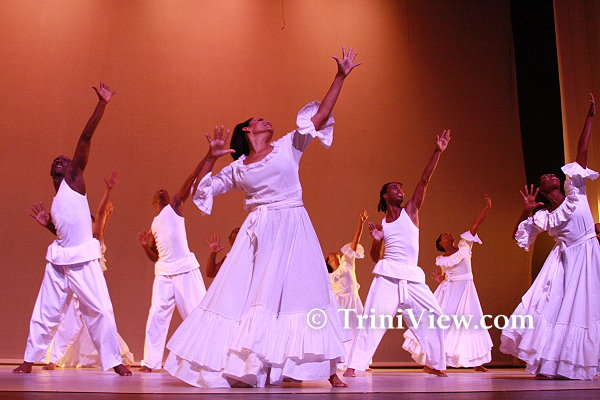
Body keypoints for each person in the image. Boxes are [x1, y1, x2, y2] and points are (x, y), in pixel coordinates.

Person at [164, 47, 361, 388]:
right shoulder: (239, 168)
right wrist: (211, 157)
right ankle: (254, 364)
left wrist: (340, 76)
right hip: (260, 234)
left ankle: (330, 370)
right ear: (247, 130)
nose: (266, 120)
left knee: (306, 291)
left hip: (294, 226)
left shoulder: (288, 146)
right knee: (253, 296)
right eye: (259, 119)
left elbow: (321, 115)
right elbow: (201, 189)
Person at [13, 83, 131, 376]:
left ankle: (114, 361)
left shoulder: (74, 180)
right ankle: (29, 360)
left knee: (100, 310)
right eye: (57, 160)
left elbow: (85, 137)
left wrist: (102, 103)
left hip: (83, 261)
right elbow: (68, 232)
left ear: (72, 169)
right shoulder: (57, 200)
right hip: (59, 260)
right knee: (45, 311)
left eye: (65, 160)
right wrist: (49, 226)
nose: (61, 160)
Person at [501, 93, 600, 380]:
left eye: (552, 174)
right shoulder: (544, 216)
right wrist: (526, 210)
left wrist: (590, 118)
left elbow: (582, 152)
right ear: (543, 190)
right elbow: (517, 235)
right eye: (545, 177)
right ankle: (548, 363)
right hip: (564, 262)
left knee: (583, 309)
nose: (552, 175)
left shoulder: (575, 191)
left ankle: (574, 364)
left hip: (587, 254)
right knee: (555, 308)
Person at [344, 130, 452, 378]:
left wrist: (437, 151)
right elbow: (375, 257)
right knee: (374, 320)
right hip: (388, 277)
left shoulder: (411, 211)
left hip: (412, 278)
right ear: (385, 195)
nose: (400, 191)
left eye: (401, 188)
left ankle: (434, 364)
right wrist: (376, 240)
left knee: (434, 317)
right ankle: (353, 365)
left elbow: (424, 180)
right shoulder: (383, 224)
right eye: (395, 188)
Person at [44, 171, 134, 369]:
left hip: (91, 284)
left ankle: (115, 359)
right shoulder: (81, 241)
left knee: (100, 317)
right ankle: (54, 359)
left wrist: (108, 191)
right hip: (78, 283)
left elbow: (100, 215)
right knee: (70, 320)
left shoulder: (96, 239)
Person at [404, 194, 493, 372]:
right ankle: (431, 362)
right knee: (445, 324)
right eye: (444, 235)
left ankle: (476, 362)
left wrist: (487, 208)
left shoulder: (464, 246)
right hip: (449, 292)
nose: (448, 234)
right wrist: (441, 279)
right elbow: (446, 275)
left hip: (466, 290)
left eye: (448, 233)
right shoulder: (441, 259)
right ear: (441, 243)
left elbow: (474, 226)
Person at [137, 161, 209, 372]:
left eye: (164, 192)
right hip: (164, 273)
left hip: (185, 270)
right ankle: (150, 362)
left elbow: (188, 182)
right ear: (153, 203)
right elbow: (155, 256)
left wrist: (206, 160)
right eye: (158, 192)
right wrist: (145, 246)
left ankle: (208, 357)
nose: (161, 191)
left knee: (197, 313)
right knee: (156, 316)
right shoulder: (154, 223)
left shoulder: (174, 208)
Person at [326, 210, 368, 368]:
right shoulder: (329, 276)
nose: (335, 254)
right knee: (341, 332)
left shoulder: (347, 262)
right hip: (339, 303)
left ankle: (360, 362)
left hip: (353, 300)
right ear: (328, 262)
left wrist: (361, 224)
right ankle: (340, 361)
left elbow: (355, 243)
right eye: (331, 255)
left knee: (358, 330)